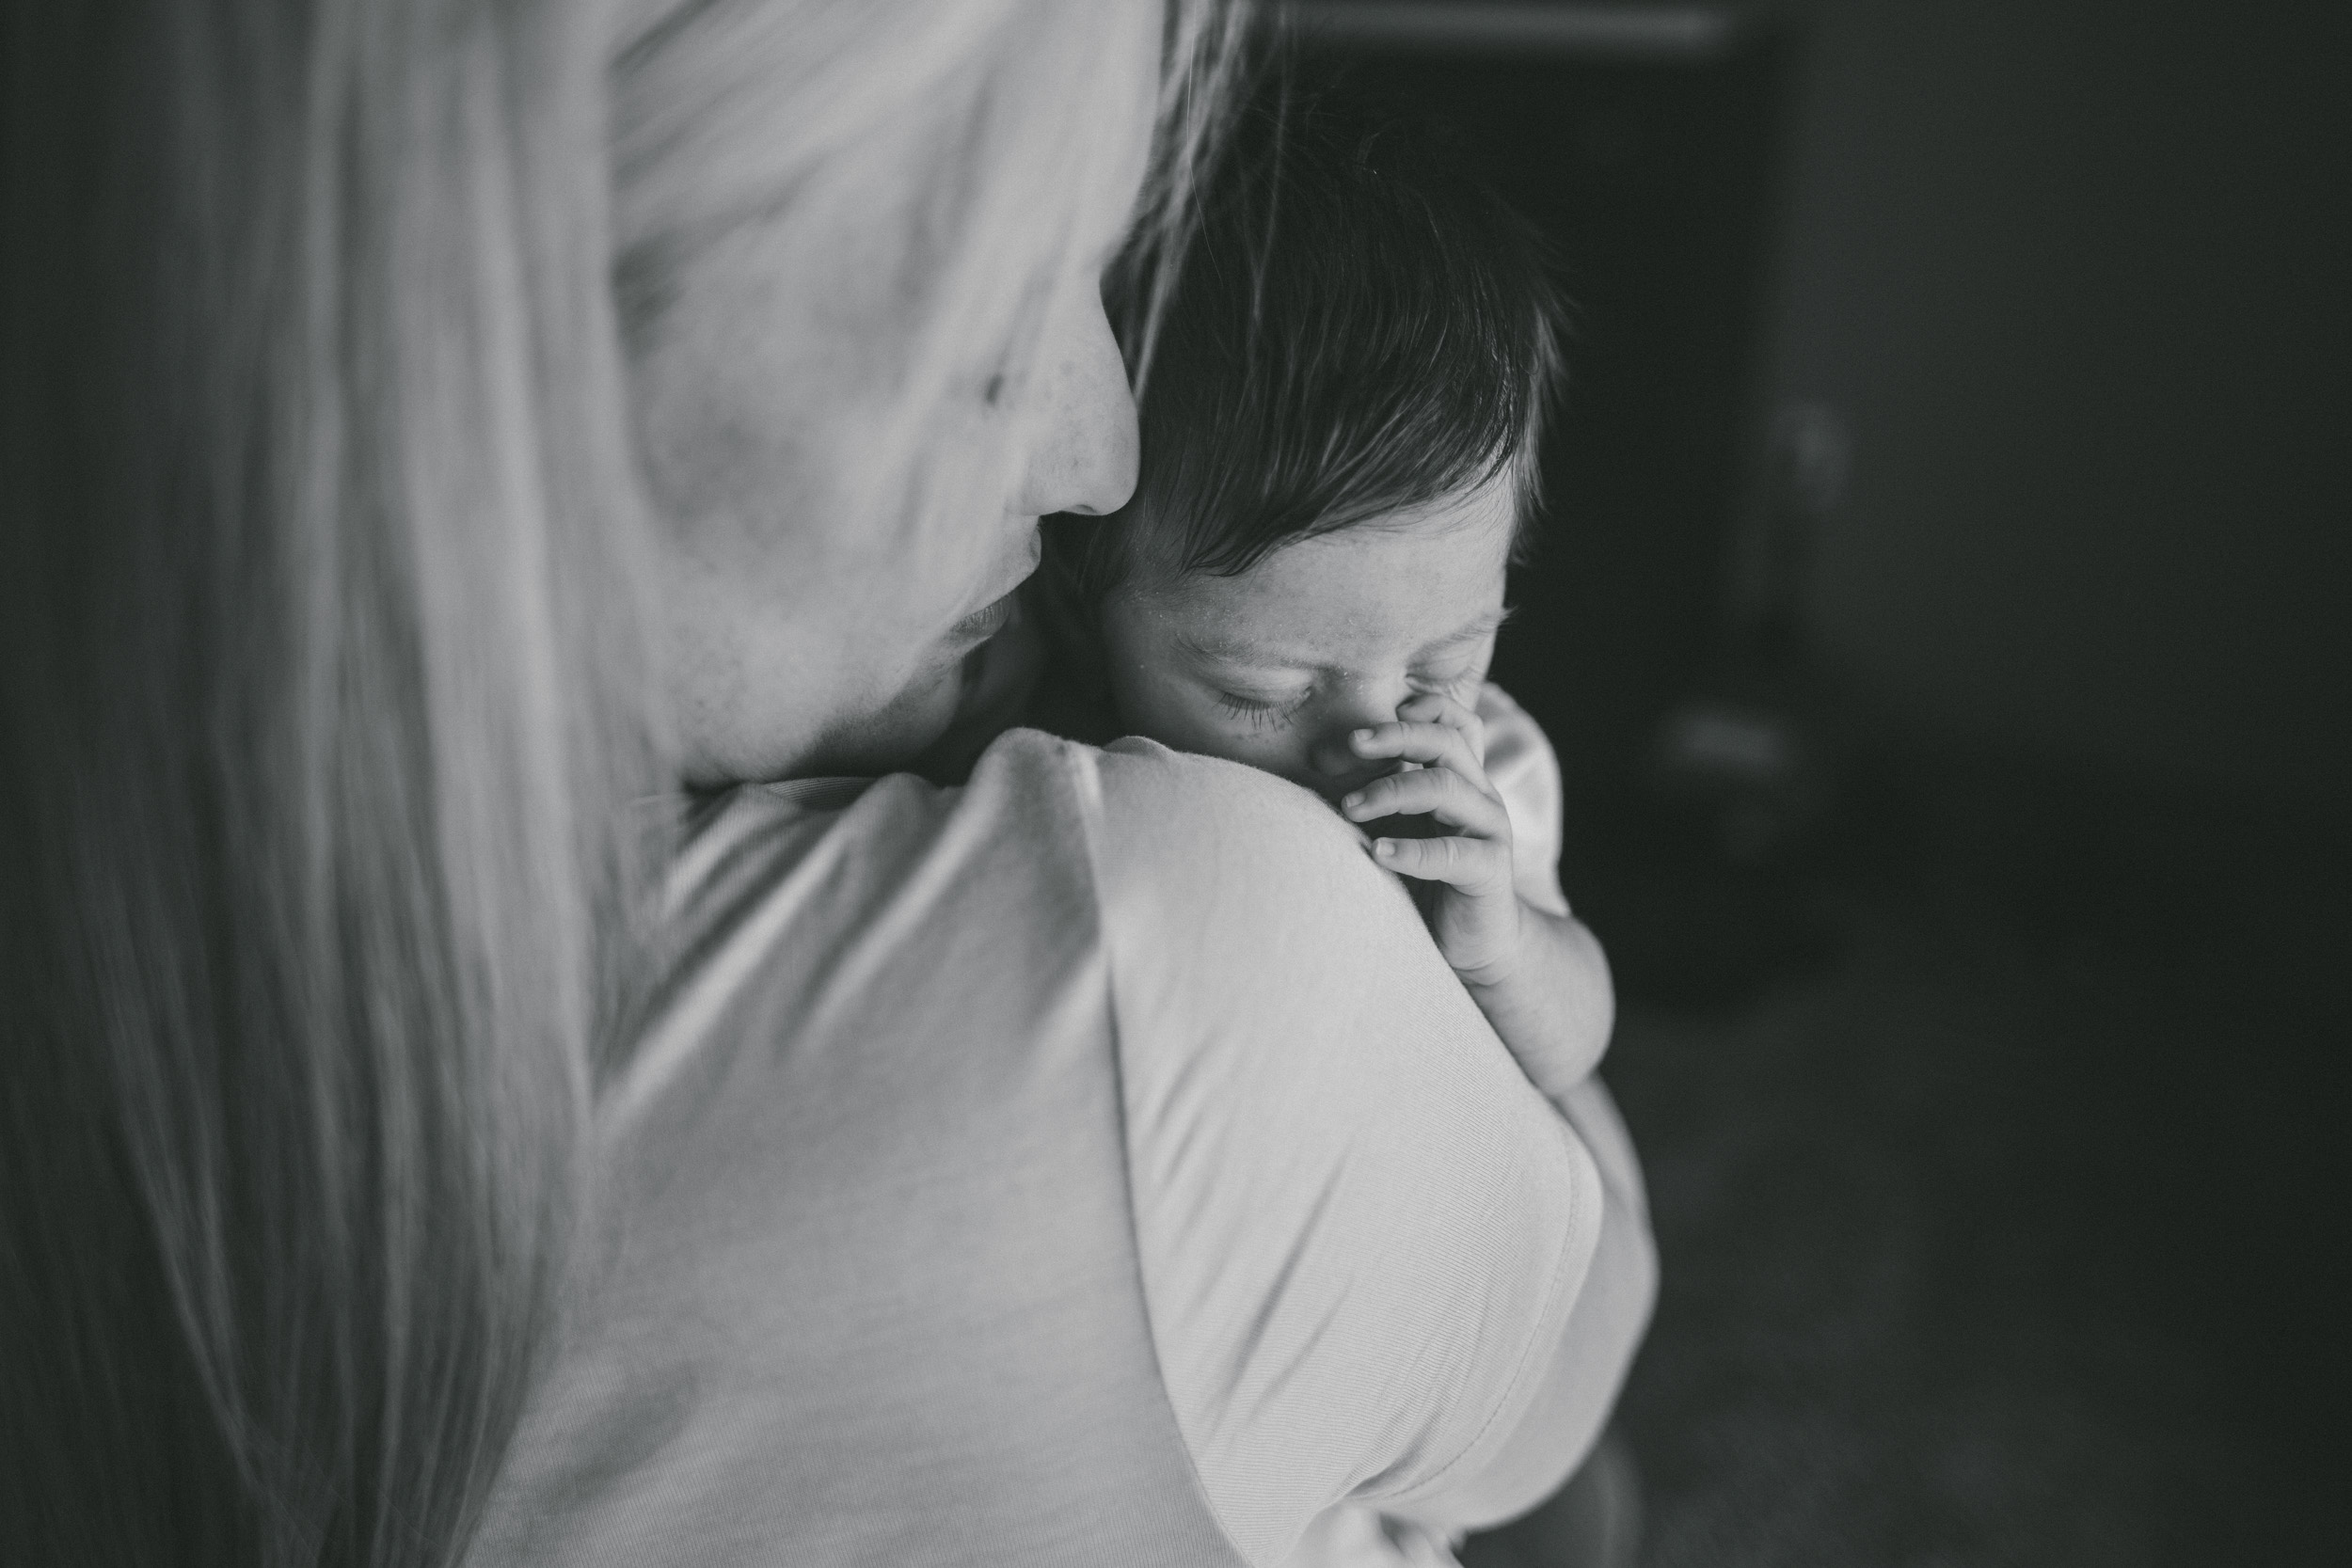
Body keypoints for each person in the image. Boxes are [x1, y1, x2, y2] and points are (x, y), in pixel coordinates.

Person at [2, 6, 1654, 1568]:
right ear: (498, 367)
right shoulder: (1151, 963)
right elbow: (1566, 1352)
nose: (1101, 457)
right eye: (1002, 313)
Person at [936, 79, 1620, 1108]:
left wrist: (1507, 946)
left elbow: (1577, 1046)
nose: (1368, 738)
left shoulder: (1487, 783)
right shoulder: (1015, 718)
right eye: (1264, 689)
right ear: (1084, 610)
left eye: (1446, 656)